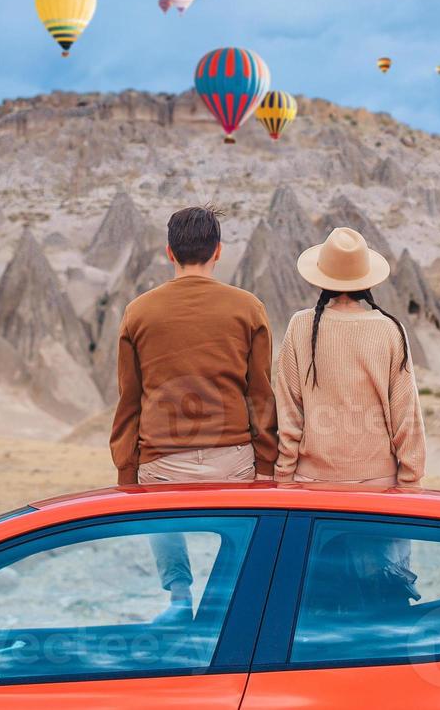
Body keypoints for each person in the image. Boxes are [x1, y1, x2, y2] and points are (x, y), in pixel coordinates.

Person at [111, 205, 276, 622]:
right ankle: (225, 608)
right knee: (243, 538)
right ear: (218, 251)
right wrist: (267, 468)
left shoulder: (139, 311)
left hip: (161, 463)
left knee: (162, 521)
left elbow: (129, 400)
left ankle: (180, 594)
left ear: (169, 252)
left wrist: (126, 473)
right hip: (233, 459)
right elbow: (261, 394)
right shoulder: (248, 307)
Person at [274, 227, 426, 487]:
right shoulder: (390, 329)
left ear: (322, 279)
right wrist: (410, 481)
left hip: (312, 480)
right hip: (379, 482)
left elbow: (289, 412)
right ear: (366, 281)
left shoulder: (300, 325)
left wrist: (284, 475)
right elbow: (406, 413)